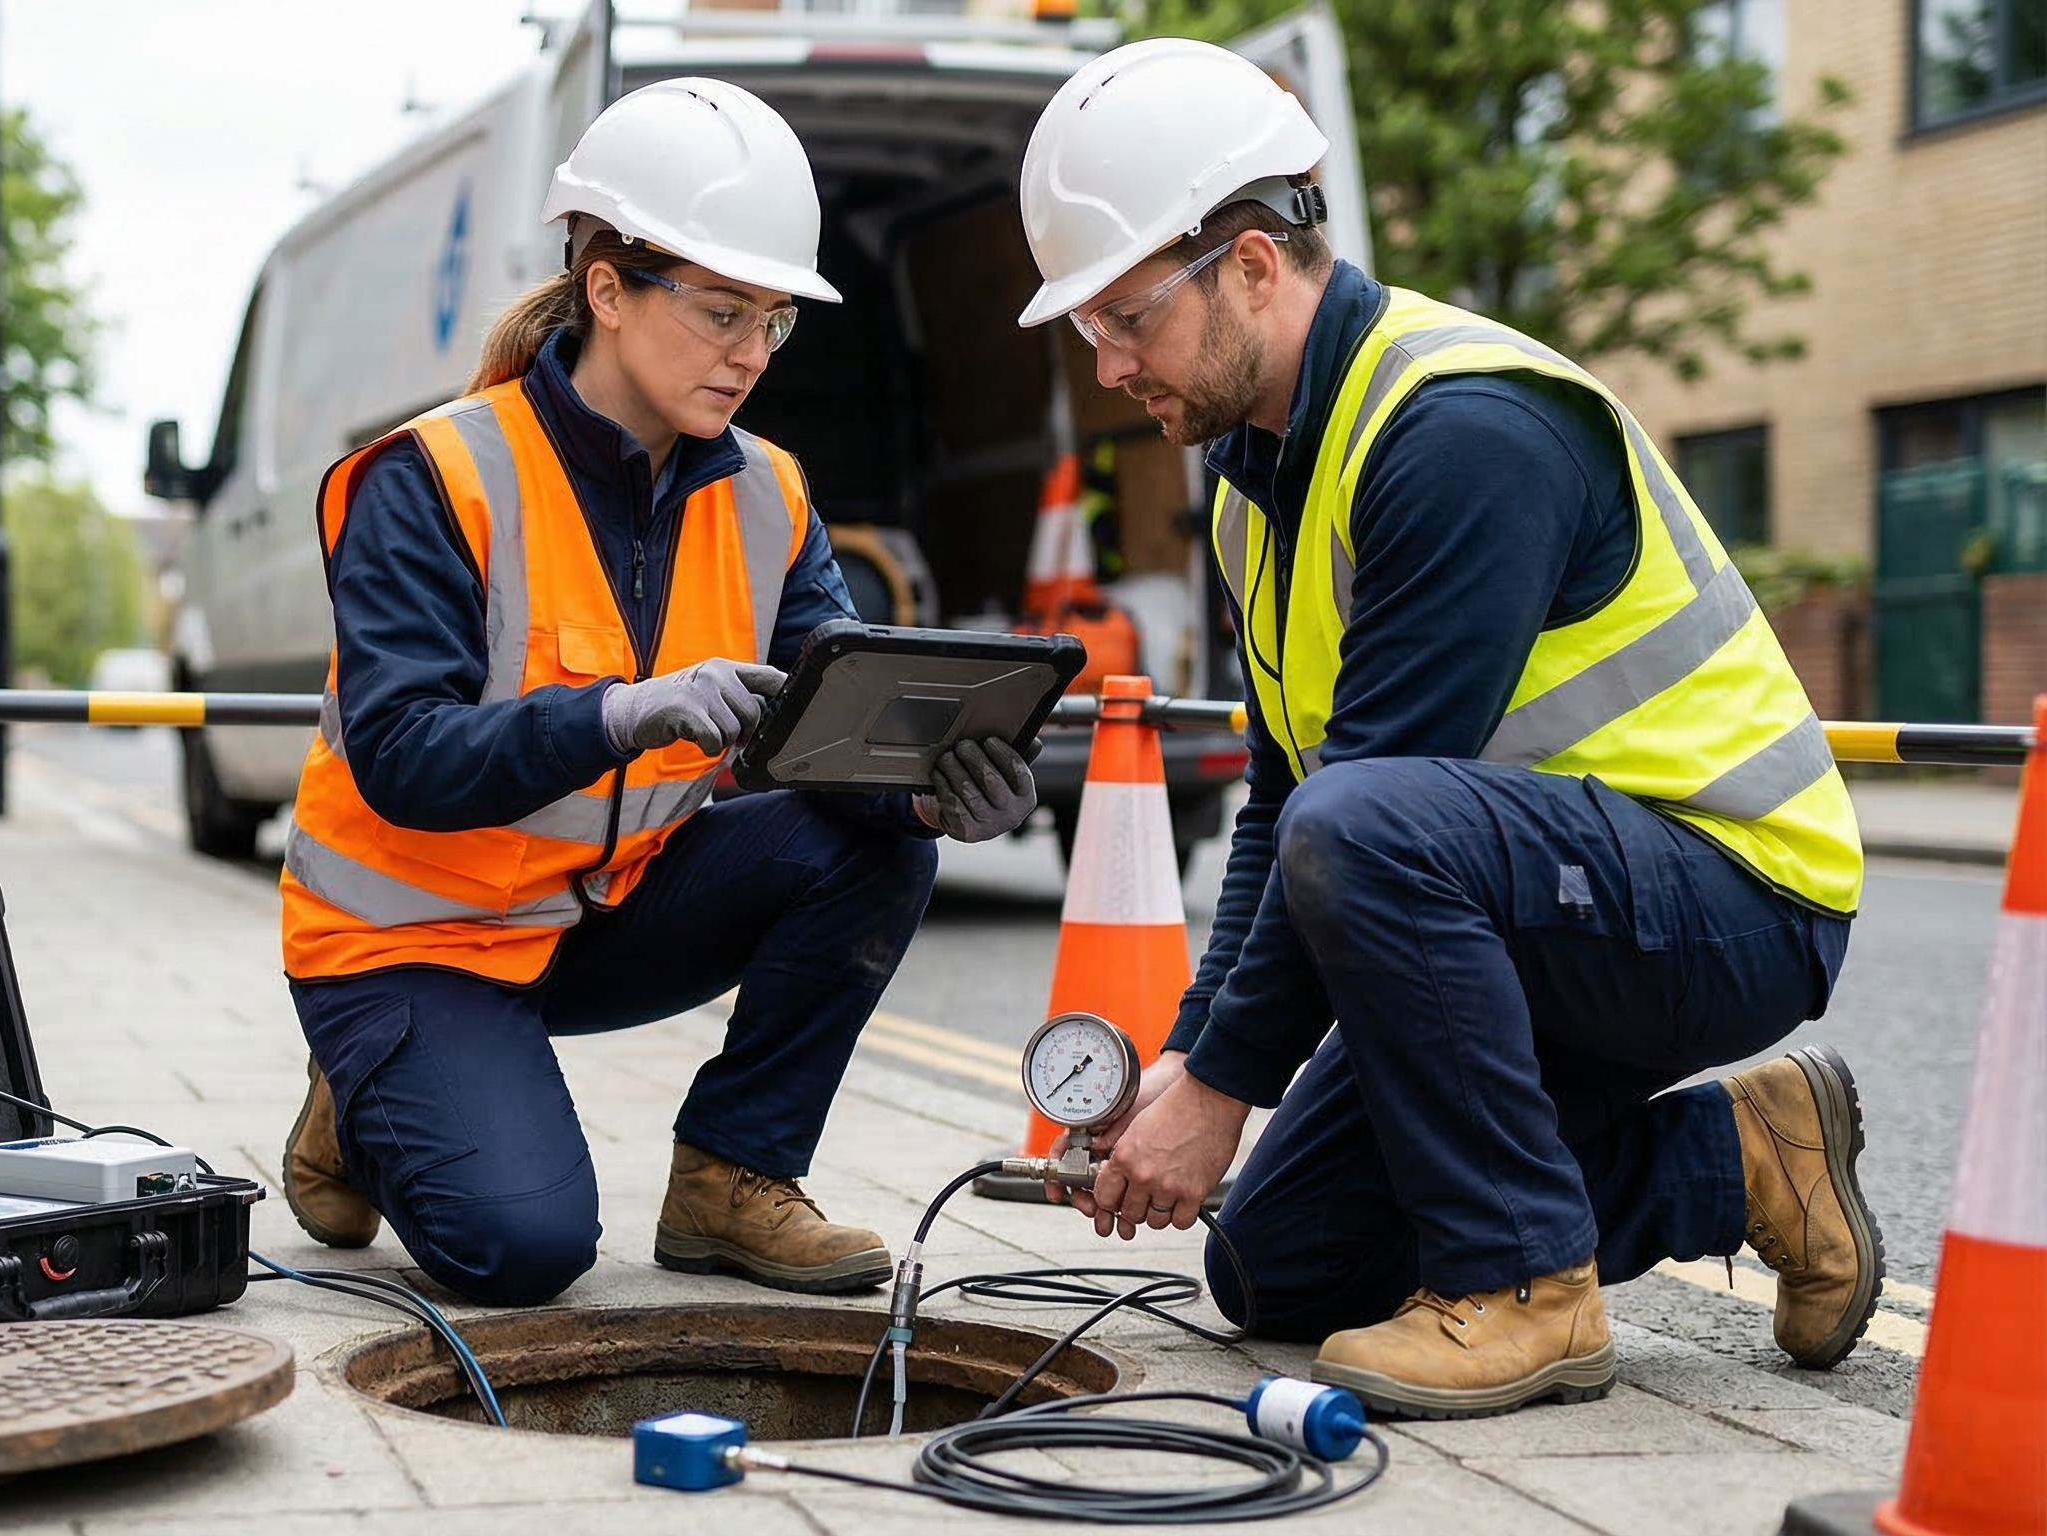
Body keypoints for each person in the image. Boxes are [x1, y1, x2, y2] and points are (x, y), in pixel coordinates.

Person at [1013, 40, 1880, 1419]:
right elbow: (1283, 803)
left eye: (1125, 317)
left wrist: (1226, 1088)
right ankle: (1744, 1161)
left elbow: (1361, 806)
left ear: (1252, 266)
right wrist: (1190, 1057)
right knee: (1278, 1265)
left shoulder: (1461, 429)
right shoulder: (1251, 486)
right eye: (1086, 330)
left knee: (1367, 822)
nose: (1109, 365)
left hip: (1730, 899)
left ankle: (1526, 1283)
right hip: (1525, 912)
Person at [277, 78, 1041, 1307]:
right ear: (607, 290)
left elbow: (826, 724)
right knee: (523, 1252)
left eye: (774, 320)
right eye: (723, 312)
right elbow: (404, 758)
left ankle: (732, 1176)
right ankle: (363, 1089)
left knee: (877, 851)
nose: (752, 354)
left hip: (601, 913)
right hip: (412, 940)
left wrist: (925, 793)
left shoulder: (768, 492)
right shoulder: (431, 477)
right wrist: (619, 714)